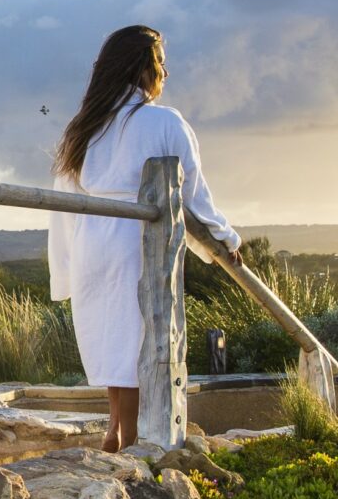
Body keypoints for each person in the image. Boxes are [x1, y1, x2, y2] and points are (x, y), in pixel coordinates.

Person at [47, 25, 241, 452]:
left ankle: (114, 433)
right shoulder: (164, 121)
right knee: (134, 346)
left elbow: (65, 201)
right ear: (142, 68)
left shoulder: (85, 127)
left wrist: (63, 269)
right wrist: (224, 239)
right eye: (161, 63)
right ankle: (133, 445)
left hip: (91, 242)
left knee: (114, 346)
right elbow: (193, 195)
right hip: (136, 242)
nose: (166, 73)